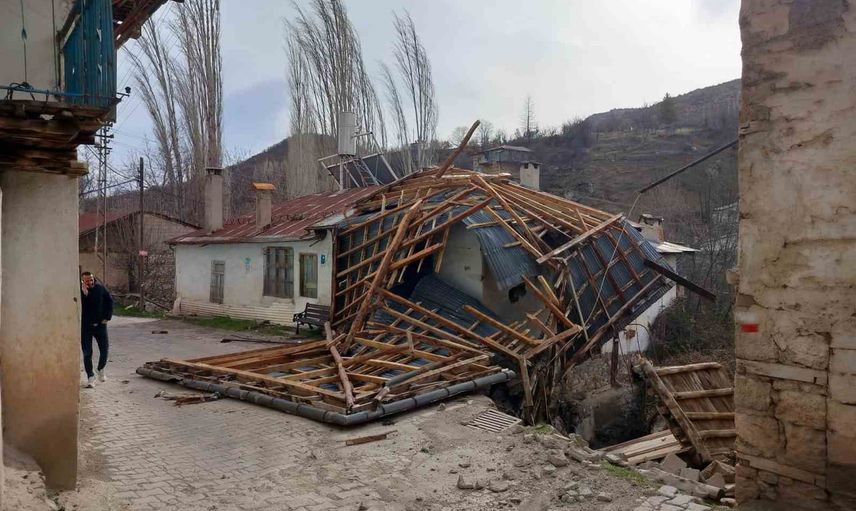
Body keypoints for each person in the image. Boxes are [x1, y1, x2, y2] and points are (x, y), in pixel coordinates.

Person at [80, 271, 113, 388]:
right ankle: (90, 377)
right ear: (82, 281)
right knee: (87, 353)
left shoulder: (100, 288)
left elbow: (110, 301)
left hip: (100, 325)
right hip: (86, 326)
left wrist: (107, 317)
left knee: (104, 350)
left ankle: (100, 368)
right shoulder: (79, 292)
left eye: (91, 279)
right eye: (87, 280)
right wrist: (84, 294)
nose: (90, 282)